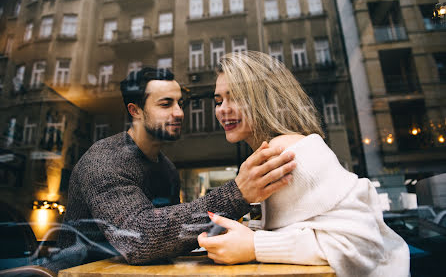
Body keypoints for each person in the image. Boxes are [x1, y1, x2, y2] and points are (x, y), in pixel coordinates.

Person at [45, 66, 296, 273]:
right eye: (166, 104)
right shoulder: (103, 161)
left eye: (180, 103)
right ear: (135, 111)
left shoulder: (167, 169)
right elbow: (140, 239)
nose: (178, 113)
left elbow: (171, 237)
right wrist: (236, 194)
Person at [198, 51, 410, 277]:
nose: (222, 109)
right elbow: (305, 226)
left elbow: (362, 244)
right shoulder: (270, 154)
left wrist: (255, 245)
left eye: (236, 97)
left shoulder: (291, 152)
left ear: (264, 98)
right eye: (219, 101)